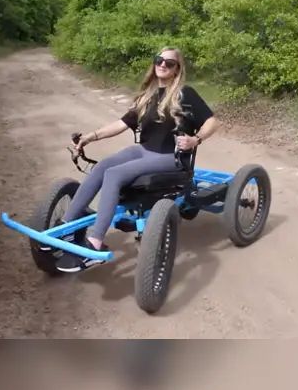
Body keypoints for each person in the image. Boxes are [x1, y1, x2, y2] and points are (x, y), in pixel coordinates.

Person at [52, 47, 219, 273]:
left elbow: (212, 122)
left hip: (171, 157)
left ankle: (95, 243)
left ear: (177, 69)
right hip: (144, 151)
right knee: (103, 166)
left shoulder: (184, 94)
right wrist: (89, 137)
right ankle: (67, 228)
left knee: (114, 174)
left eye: (169, 63)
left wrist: (195, 140)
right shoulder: (148, 96)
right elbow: (120, 125)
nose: (162, 65)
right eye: (159, 60)